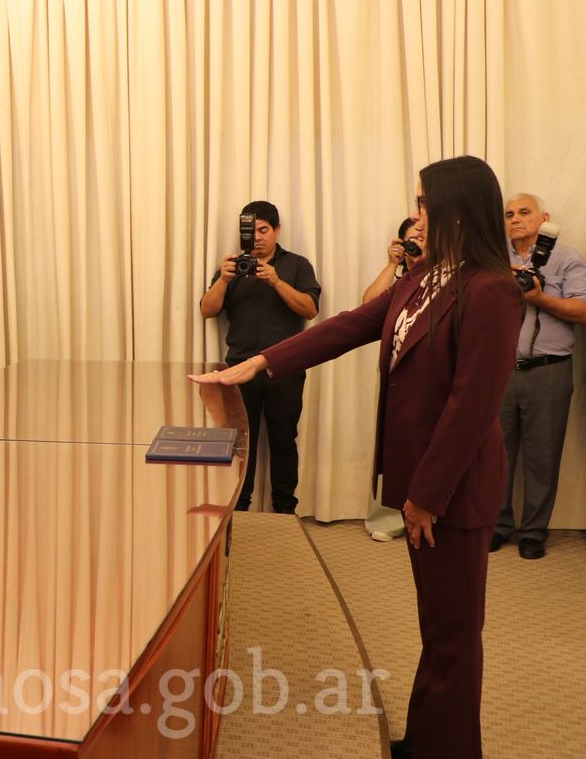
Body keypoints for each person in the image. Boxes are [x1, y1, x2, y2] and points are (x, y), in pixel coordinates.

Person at [191, 155, 522, 759]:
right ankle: (429, 738)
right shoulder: (426, 277)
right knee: (439, 626)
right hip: (427, 481)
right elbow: (346, 326)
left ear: (454, 208)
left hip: (453, 488)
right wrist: (261, 362)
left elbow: (471, 408)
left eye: (423, 204)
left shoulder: (490, 290)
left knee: (453, 632)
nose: (415, 216)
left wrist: (425, 495)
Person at [199, 200, 321, 512]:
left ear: (277, 229)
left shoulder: (296, 265)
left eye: (264, 230)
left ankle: (284, 511)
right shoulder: (233, 267)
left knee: (283, 442)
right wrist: (225, 280)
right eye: (252, 232)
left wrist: (276, 281)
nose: (258, 238)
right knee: (241, 444)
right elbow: (206, 310)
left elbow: (310, 309)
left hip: (285, 368)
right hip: (239, 368)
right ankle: (238, 509)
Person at [491, 193, 586, 559]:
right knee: (496, 455)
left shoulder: (567, 257)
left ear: (544, 218)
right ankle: (498, 525)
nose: (515, 219)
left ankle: (533, 532)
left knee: (543, 457)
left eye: (524, 212)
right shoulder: (495, 261)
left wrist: (540, 298)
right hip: (500, 372)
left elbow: (581, 310)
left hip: (549, 371)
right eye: (509, 214)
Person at [362, 217, 427, 542]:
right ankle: (388, 519)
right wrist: (394, 263)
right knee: (391, 446)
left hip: (428, 378)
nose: (417, 241)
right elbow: (367, 306)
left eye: (422, 236)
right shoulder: (400, 279)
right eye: (411, 238)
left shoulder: (444, 279)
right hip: (395, 374)